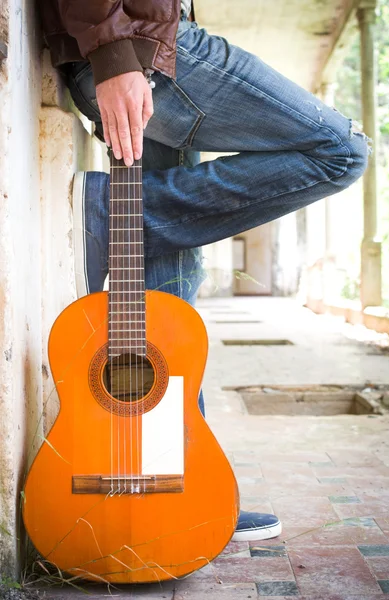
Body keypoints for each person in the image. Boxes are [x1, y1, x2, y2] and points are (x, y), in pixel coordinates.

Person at [37, 0, 369, 542]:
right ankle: (106, 211)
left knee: (170, 301)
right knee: (341, 149)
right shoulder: (126, 50)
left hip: (139, 45)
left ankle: (176, 478)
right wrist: (114, 53)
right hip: (145, 51)